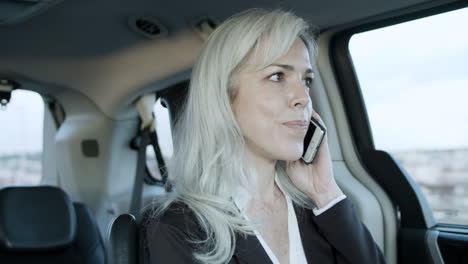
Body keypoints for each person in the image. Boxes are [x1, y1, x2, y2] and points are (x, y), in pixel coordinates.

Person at [141, 8, 386, 264]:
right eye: (277, 76)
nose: (303, 98)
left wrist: (326, 192)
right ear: (224, 97)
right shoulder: (180, 230)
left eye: (307, 80)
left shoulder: (318, 208)